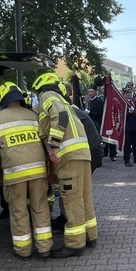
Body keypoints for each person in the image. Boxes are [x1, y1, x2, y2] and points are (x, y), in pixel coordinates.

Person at [32, 71, 97, 258]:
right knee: (84, 196)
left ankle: (75, 244)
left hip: (68, 157)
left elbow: (59, 116)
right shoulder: (65, 102)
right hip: (82, 154)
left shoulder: (47, 95)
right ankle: (91, 235)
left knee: (72, 199)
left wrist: (53, 145)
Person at [0, 82, 52, 259]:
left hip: (14, 174)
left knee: (18, 210)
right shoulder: (33, 115)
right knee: (40, 207)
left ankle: (23, 250)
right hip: (38, 172)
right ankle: (44, 247)